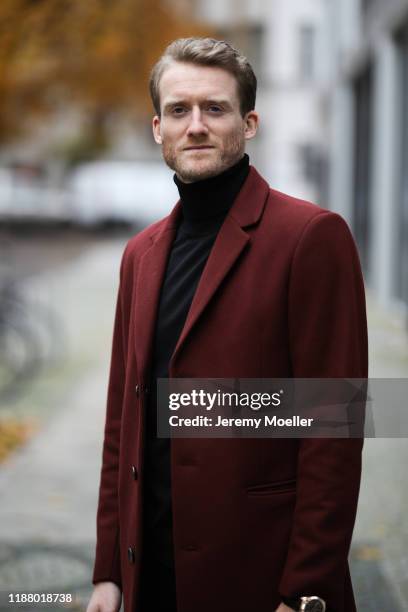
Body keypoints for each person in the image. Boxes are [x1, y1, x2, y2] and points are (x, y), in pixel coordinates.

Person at [86, 37, 368, 612]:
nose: (195, 125)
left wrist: (304, 590)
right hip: (151, 578)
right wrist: (109, 572)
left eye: (214, 109)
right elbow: (123, 423)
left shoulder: (311, 237)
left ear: (250, 122)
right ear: (156, 128)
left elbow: (335, 427)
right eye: (179, 110)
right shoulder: (139, 255)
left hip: (260, 576)